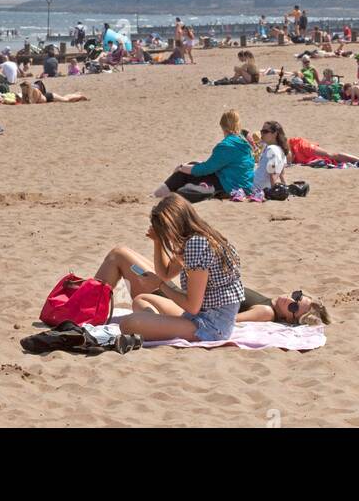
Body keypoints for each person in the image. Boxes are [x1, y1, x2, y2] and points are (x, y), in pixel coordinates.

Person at [93, 195, 243, 343]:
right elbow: (165, 273)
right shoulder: (197, 238)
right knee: (141, 299)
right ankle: (161, 325)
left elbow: (192, 306)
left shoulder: (197, 244)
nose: (168, 238)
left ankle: (158, 325)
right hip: (202, 315)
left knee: (128, 324)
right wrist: (157, 242)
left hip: (211, 326)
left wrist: (160, 285)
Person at [153, 110, 255, 198]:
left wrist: (181, 167)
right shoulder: (244, 142)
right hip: (245, 185)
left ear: (222, 126)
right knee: (192, 164)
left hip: (229, 186)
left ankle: (156, 195)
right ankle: (177, 191)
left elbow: (205, 169)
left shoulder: (226, 145)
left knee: (182, 173)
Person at [236, 287, 331, 325]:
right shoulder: (267, 302)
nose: (289, 299)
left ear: (290, 320)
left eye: (294, 307)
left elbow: (229, 320)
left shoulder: (266, 312)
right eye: (297, 296)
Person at [288, 136, 359, 167]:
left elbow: (288, 155)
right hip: (297, 157)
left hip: (300, 147)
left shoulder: (294, 144)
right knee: (331, 159)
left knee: (330, 155)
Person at [252, 121, 288, 192]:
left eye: (265, 131)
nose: (262, 133)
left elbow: (272, 174)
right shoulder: (282, 151)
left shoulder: (271, 149)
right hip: (261, 187)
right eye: (262, 131)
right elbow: (282, 175)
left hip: (255, 187)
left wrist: (273, 191)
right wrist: (286, 189)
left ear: (275, 134)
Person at [19, 80, 89, 104]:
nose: (22, 90)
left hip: (50, 96)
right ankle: (75, 94)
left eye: (23, 88)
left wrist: (27, 98)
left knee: (66, 100)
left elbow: (33, 103)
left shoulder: (35, 91)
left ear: (28, 87)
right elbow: (23, 102)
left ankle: (79, 96)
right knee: (64, 97)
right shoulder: (25, 93)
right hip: (46, 100)